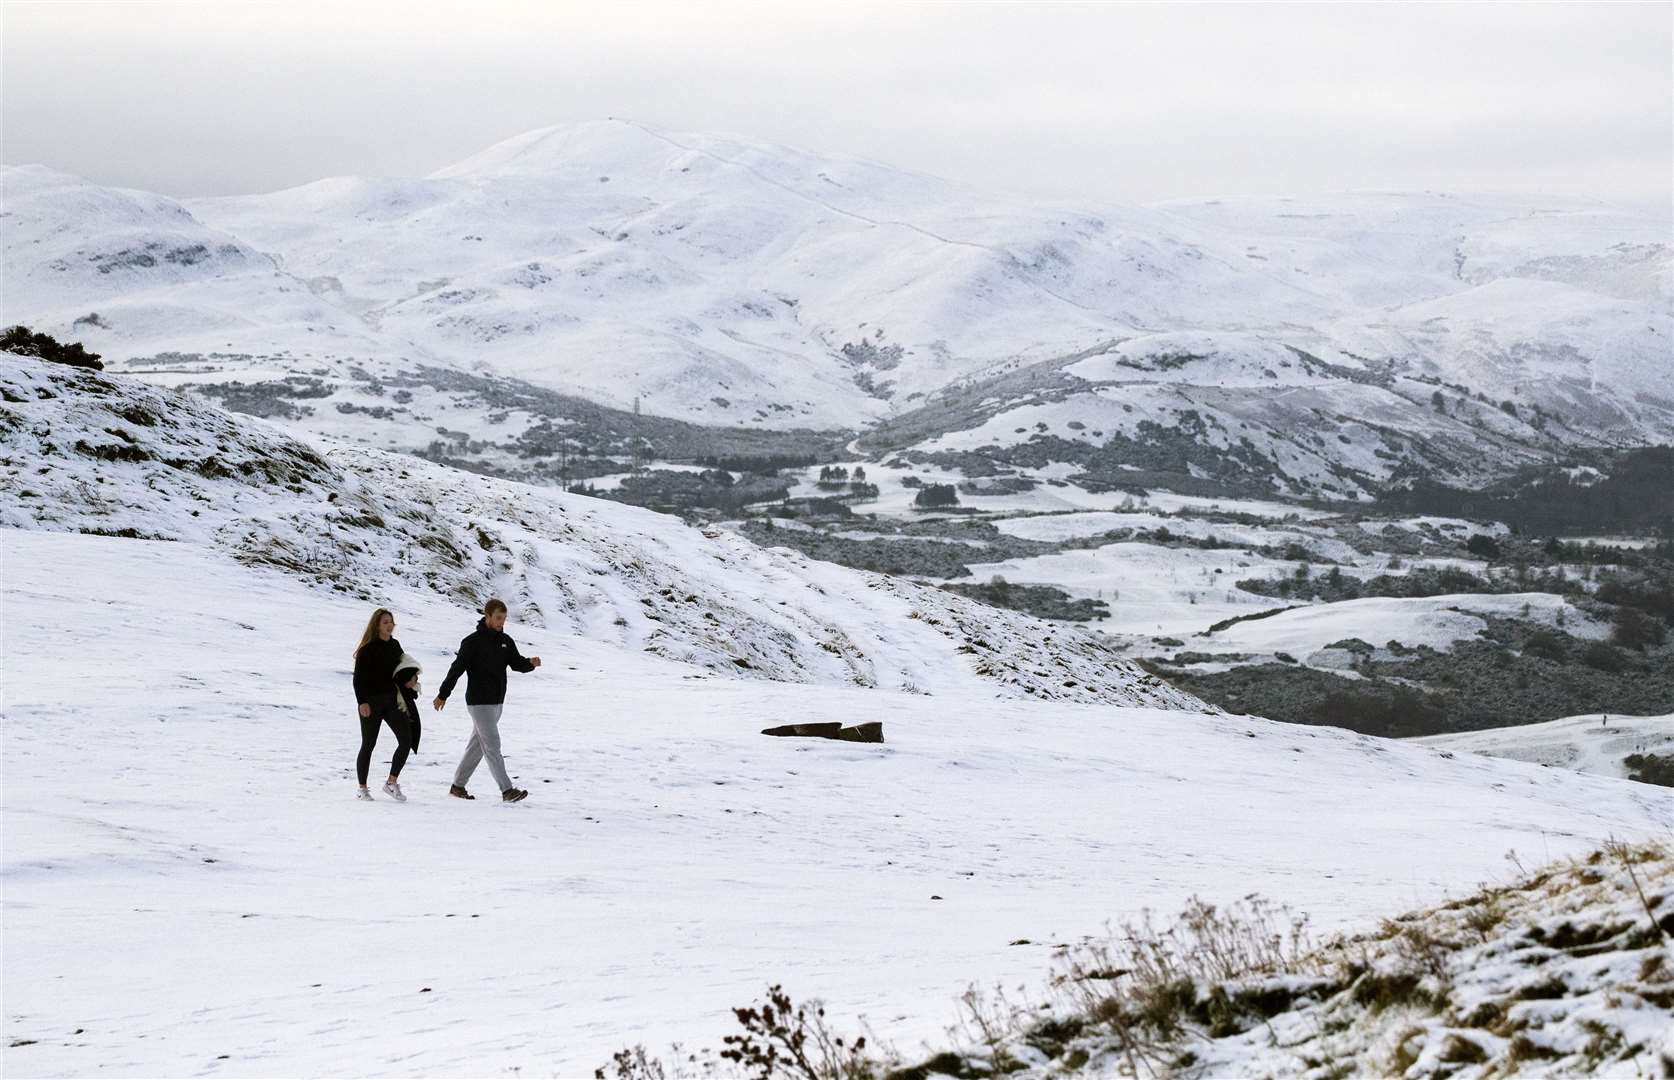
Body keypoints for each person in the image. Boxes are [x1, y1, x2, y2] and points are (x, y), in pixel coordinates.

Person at [434, 598, 541, 803]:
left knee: (477, 746)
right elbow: (456, 669)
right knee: (492, 744)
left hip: (497, 702)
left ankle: (457, 786)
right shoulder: (472, 642)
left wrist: (530, 663)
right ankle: (507, 790)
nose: (502, 622)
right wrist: (442, 695)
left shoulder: (505, 641)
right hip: (478, 702)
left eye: (504, 618)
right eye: (499, 618)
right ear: (488, 616)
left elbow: (516, 663)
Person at [351, 607, 418, 802]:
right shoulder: (368, 649)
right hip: (370, 702)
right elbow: (358, 679)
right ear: (377, 625)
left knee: (406, 740)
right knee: (368, 744)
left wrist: (412, 678)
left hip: (390, 700)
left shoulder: (395, 645)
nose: (390, 625)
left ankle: (391, 782)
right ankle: (362, 788)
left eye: (391, 622)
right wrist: (361, 701)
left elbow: (403, 668)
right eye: (385, 622)